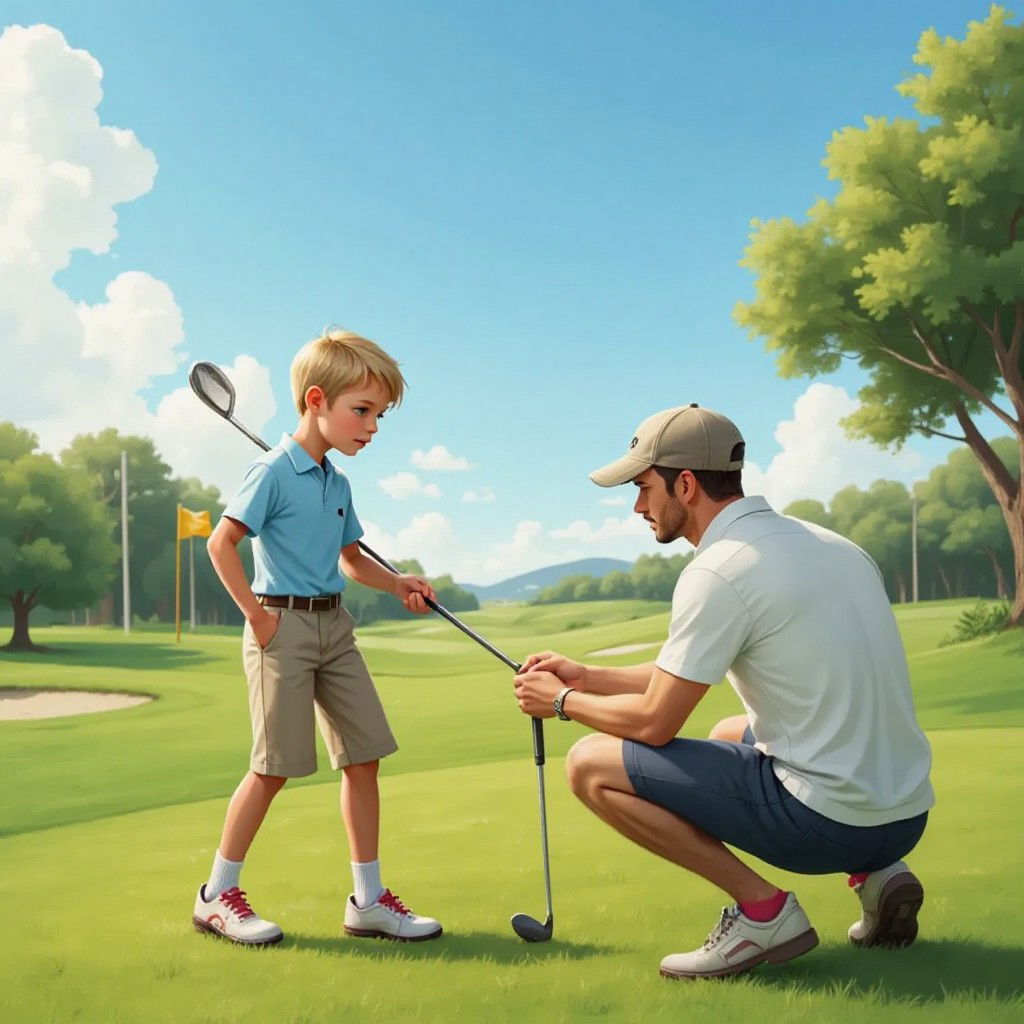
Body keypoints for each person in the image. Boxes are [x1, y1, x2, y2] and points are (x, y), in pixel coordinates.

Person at [513, 403, 933, 980]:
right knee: (728, 734)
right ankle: (883, 875)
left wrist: (561, 703)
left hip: (829, 824)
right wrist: (588, 675)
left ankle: (764, 913)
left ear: (685, 484)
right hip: (906, 816)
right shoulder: (831, 545)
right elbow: (682, 670)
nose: (638, 506)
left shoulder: (718, 570)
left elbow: (655, 722)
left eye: (643, 488)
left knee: (589, 764)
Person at [192, 328, 443, 946]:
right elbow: (221, 543)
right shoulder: (272, 470)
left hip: (336, 625)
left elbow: (352, 559)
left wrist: (397, 583)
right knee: (274, 767)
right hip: (283, 625)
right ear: (315, 401)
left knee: (364, 758)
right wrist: (257, 617)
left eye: (378, 415)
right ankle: (216, 895)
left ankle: (368, 901)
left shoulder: (336, 482)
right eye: (363, 411)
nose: (373, 427)